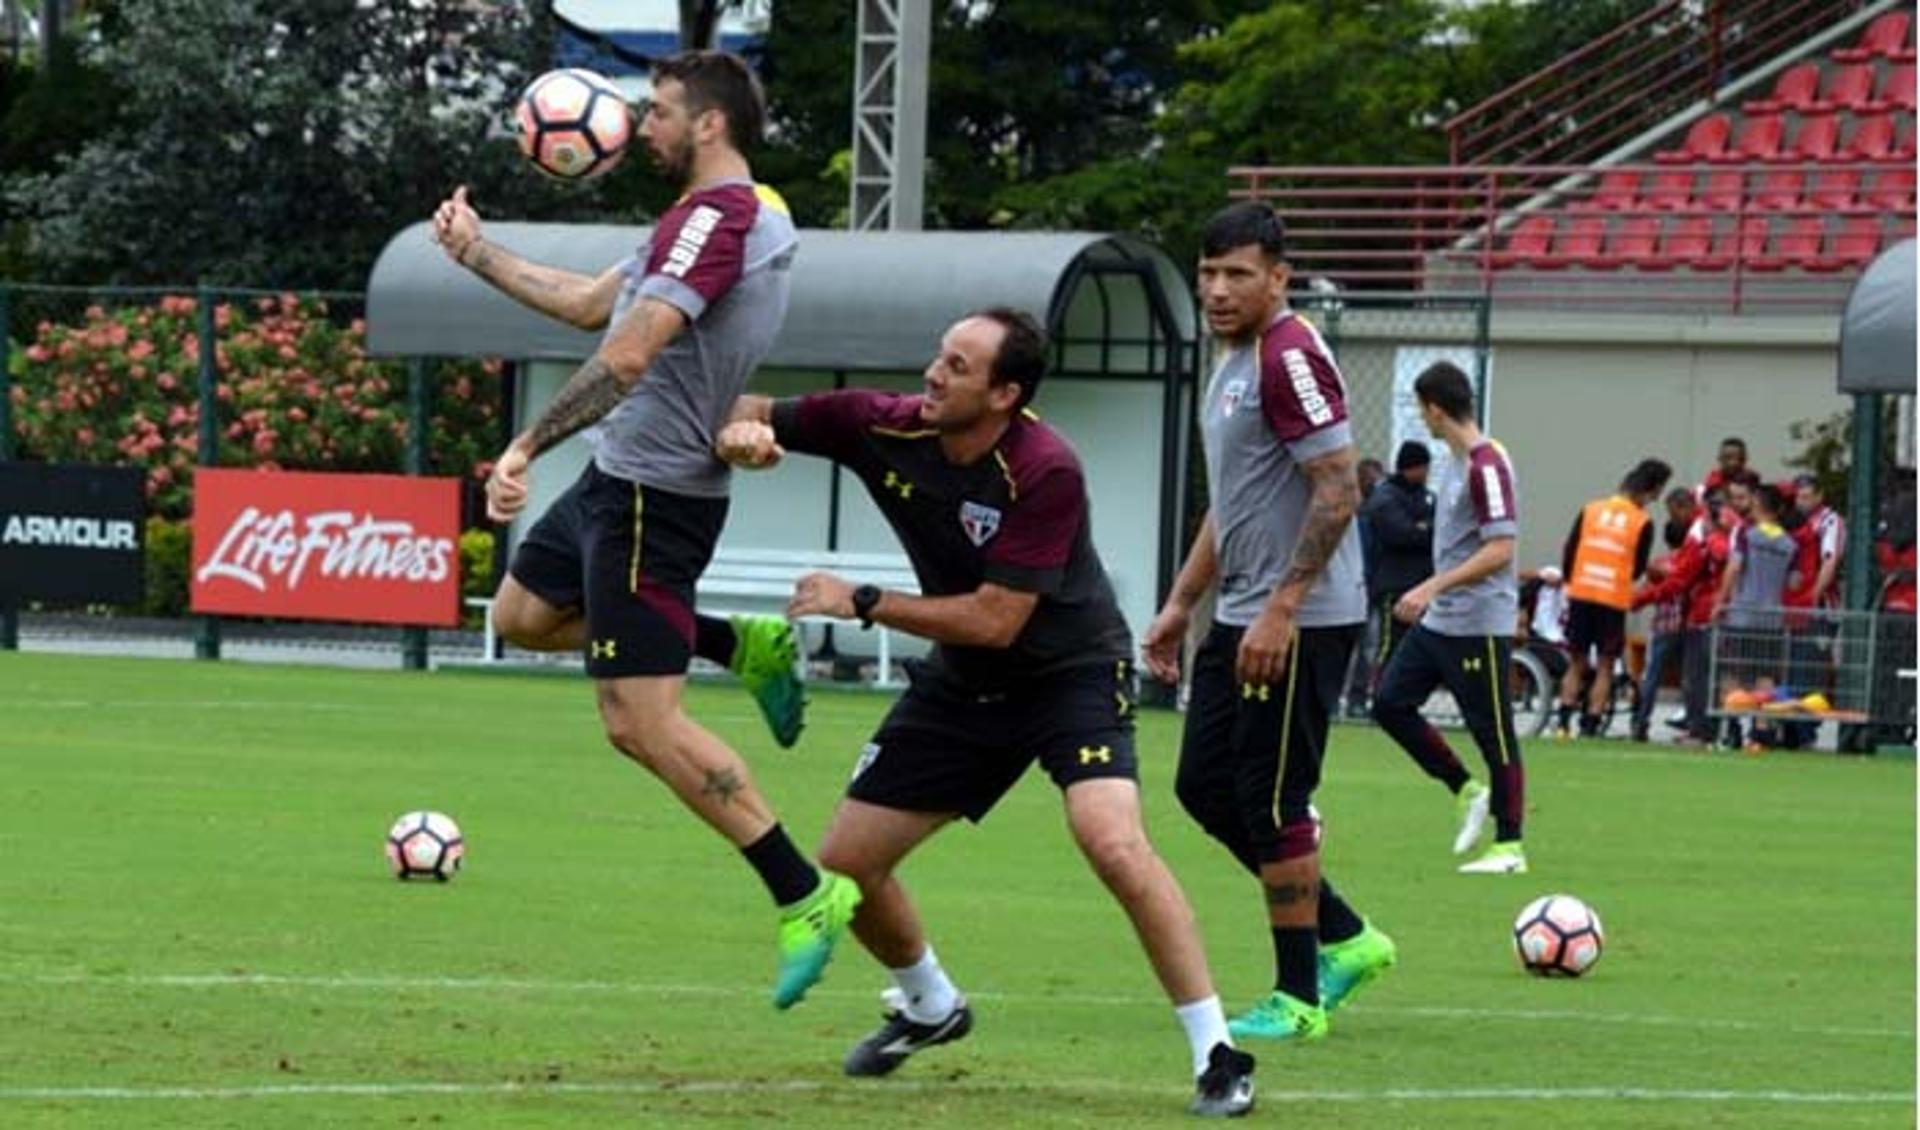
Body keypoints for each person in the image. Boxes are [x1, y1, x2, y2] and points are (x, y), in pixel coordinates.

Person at [715, 308, 1257, 1117]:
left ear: (1006, 393)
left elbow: (998, 618)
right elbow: (748, 407)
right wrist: (740, 437)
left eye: (958, 366)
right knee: (848, 864)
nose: (934, 375)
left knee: (1110, 840)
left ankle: (1216, 1053)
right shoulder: (883, 424)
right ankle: (932, 1007)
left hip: (1068, 674)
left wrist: (861, 601)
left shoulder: (1046, 470)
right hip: (965, 684)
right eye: (940, 355)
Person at [428, 50, 857, 1009]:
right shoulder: (714, 219)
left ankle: (806, 892)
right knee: (523, 615)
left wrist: (526, 444)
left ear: (710, 125)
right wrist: (474, 251)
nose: (639, 125)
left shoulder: (720, 218)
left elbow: (625, 356)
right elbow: (591, 305)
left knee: (640, 723)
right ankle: (733, 641)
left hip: (651, 500)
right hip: (617, 479)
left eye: (658, 111)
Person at [1143, 201, 1394, 1048]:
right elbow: (1236, 500)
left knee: (1273, 797)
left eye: (1237, 274)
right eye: (1207, 272)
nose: (1216, 289)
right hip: (1245, 611)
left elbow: (1338, 485)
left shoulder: (1288, 357)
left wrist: (1284, 608)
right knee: (1205, 787)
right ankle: (1349, 937)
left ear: (1279, 277)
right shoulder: (1234, 362)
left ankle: (1299, 995)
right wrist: (1182, 603)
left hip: (1300, 618)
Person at [1370, 361, 1528, 874]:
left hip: (1479, 622)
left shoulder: (1487, 464)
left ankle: (1509, 846)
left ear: (1435, 408)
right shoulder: (1455, 462)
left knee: (1494, 732)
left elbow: (1501, 548)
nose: (1423, 420)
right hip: (1444, 620)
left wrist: (1431, 585)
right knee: (1390, 703)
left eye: (1422, 410)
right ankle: (1465, 789)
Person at [1552, 459, 1672, 739]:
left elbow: (1570, 550)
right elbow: (1639, 566)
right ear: (1650, 490)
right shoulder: (1642, 521)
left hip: (1581, 591)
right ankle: (1591, 724)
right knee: (1606, 664)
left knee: (1576, 661)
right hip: (1612, 596)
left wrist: (1574, 581)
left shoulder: (1591, 510)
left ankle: (1562, 722)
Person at [1712, 483, 1798, 750]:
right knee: (1765, 675)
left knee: (1732, 672)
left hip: (1742, 613)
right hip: (1772, 617)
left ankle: (1731, 726)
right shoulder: (1790, 543)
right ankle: (1761, 731)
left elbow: (1734, 567)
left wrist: (1721, 601)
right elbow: (1794, 582)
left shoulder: (1746, 534)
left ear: (1758, 504)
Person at [1361, 440, 1436, 683]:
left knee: (1420, 645)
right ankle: (1378, 693)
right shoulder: (1386, 497)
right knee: (1390, 644)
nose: (1427, 473)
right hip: (1394, 584)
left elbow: (1438, 529)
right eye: (1423, 467)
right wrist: (1422, 529)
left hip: (1423, 583)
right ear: (1411, 467)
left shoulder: (1426, 497)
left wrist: (1424, 528)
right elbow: (1401, 534)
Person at [1629, 488, 1699, 743]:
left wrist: (1636, 600)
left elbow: (1648, 588)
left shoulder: (1659, 564)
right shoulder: (1692, 559)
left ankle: (1641, 722)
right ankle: (1692, 723)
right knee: (1690, 676)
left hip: (1663, 627)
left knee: (1652, 675)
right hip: (1689, 623)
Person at [1340, 456, 1391, 717]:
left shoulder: (1377, 515)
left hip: (1371, 588)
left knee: (1369, 647)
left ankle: (1357, 698)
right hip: (1349, 589)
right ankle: (1339, 695)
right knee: (1344, 646)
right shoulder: (1352, 516)